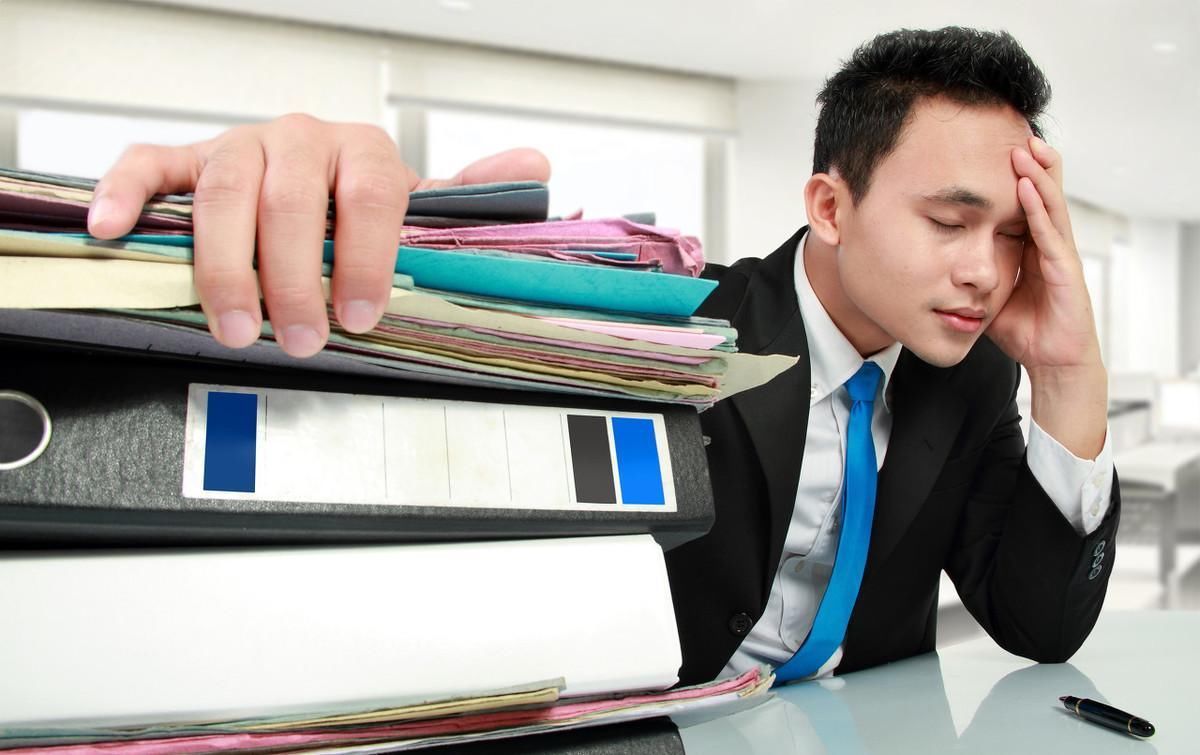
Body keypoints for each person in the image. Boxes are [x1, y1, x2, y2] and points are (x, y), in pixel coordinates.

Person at [87, 26, 1117, 687]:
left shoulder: (971, 374)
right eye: (951, 220)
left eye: (1015, 238)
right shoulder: (672, 330)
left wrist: (1067, 375)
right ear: (829, 206)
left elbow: (1037, 623)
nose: (987, 271)